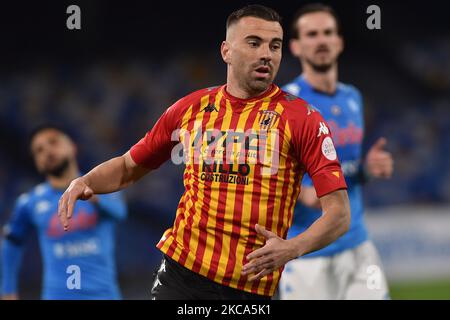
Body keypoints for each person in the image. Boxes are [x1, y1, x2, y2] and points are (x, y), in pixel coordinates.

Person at [57, 4, 350, 300]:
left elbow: (338, 214)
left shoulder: (303, 119)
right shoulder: (190, 108)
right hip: (181, 274)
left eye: (274, 46)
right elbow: (129, 166)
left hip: (249, 286)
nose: (266, 53)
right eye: (253, 43)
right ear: (226, 51)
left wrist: (293, 247)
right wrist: (86, 181)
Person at [278, 3, 394, 300]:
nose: (321, 40)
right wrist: (357, 171)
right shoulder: (287, 106)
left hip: (358, 246)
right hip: (309, 255)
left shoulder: (353, 97)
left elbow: (344, 169)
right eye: (311, 34)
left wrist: (367, 168)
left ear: (339, 42)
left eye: (328, 32)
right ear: (295, 46)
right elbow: (312, 196)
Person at [1, 125, 127, 300]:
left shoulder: (101, 187)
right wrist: (7, 291)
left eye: (53, 142)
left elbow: (119, 213)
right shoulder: (29, 202)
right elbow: (11, 243)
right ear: (37, 163)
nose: (47, 151)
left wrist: (93, 196)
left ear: (72, 146)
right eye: (39, 150)